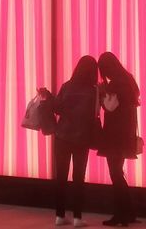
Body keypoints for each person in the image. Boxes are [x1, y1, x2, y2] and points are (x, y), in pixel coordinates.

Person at [38, 55, 101, 227]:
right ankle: (77, 218)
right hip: (82, 139)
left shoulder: (67, 86)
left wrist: (48, 96)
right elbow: (93, 115)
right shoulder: (94, 90)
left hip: (62, 137)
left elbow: (57, 107)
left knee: (61, 177)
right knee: (78, 178)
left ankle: (59, 215)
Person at [96, 52, 140, 227]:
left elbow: (110, 107)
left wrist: (101, 93)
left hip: (114, 136)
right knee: (118, 173)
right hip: (126, 134)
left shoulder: (115, 84)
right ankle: (128, 212)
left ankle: (120, 214)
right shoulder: (128, 79)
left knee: (115, 174)